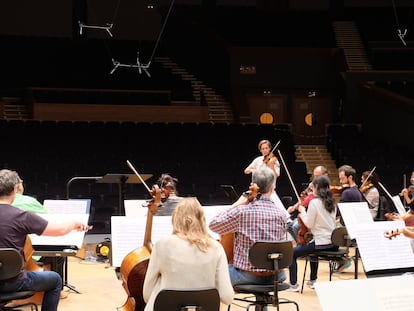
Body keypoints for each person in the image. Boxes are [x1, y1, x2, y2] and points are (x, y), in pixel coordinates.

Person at [0, 169, 89, 311]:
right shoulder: (22, 216)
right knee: (55, 280)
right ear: (14, 190)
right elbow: (58, 230)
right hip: (15, 282)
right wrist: (73, 224)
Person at [209, 165, 289, 297]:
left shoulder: (242, 212)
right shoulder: (281, 214)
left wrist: (241, 202)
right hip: (276, 276)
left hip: (247, 277)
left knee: (216, 271)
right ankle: (262, 303)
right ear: (273, 187)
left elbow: (213, 224)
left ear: (252, 185)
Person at [142, 197, 234, 311]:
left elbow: (147, 295)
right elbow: (227, 297)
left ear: (175, 218)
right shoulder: (216, 247)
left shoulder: (162, 245)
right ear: (202, 219)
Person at [11, 172, 66, 296]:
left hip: (8, 260)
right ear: (18, 187)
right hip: (25, 256)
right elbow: (48, 221)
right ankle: (55, 290)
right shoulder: (28, 201)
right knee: (59, 255)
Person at [286, 175, 338, 292]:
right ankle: (313, 280)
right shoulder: (332, 203)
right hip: (333, 242)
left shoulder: (315, 203)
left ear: (316, 187)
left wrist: (302, 211)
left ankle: (293, 284)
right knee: (311, 248)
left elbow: (309, 224)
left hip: (321, 242)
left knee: (292, 253)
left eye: (313, 187)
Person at [244, 139, 290, 220]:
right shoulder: (258, 159)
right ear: (260, 150)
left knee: (278, 209)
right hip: (256, 189)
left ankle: (285, 220)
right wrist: (255, 170)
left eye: (266, 148)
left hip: (269, 189)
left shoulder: (273, 160)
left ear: (269, 148)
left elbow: (276, 176)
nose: (265, 150)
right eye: (263, 148)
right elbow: (246, 171)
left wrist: (271, 166)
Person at [286, 165, 328, 243]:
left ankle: (304, 245)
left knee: (296, 226)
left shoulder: (325, 188)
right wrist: (294, 207)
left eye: (318, 176)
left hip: (315, 218)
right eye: (314, 176)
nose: (315, 179)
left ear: (325, 176)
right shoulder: (312, 185)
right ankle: (300, 243)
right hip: (308, 213)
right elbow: (303, 198)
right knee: (289, 226)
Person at [335, 165, 363, 272]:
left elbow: (338, 211)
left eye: (342, 178)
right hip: (353, 226)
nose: (341, 182)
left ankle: (342, 259)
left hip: (346, 228)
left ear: (350, 178)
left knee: (327, 232)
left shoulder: (347, 193)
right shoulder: (357, 191)